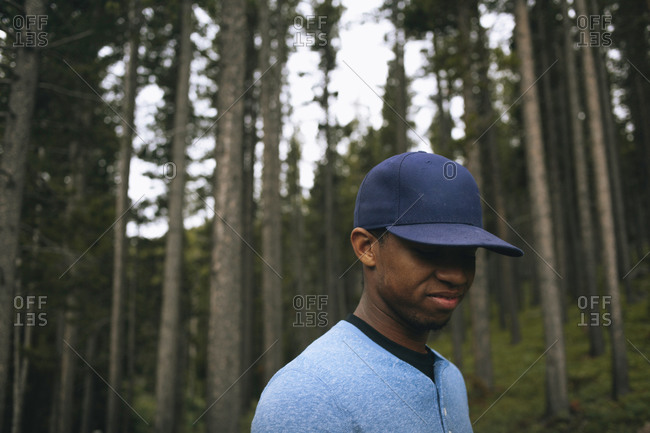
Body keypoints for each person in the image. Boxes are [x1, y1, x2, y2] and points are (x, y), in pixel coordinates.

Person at [251, 151, 523, 432]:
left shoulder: (449, 378)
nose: (455, 275)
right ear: (367, 247)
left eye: (468, 254)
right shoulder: (307, 395)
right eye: (428, 251)